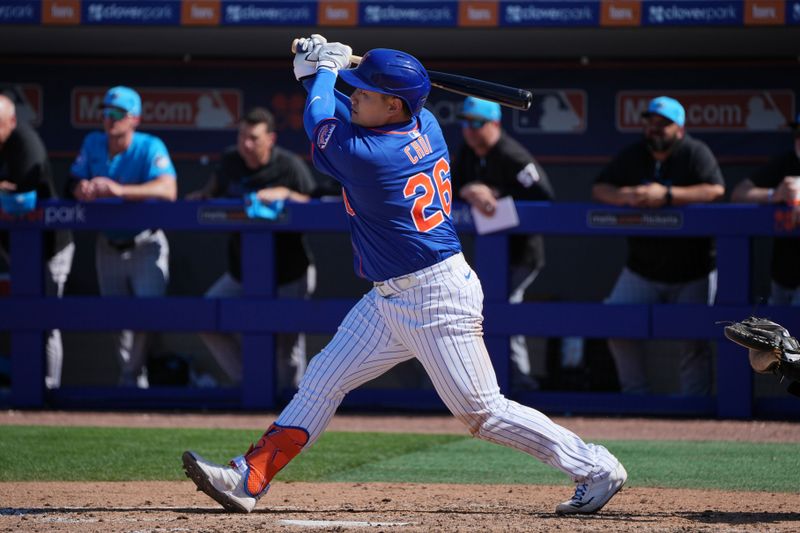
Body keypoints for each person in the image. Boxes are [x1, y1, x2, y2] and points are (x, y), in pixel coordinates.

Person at [182, 35, 626, 516]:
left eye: (365, 93)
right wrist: (326, 71)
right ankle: (250, 476)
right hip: (391, 297)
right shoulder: (425, 123)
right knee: (321, 380)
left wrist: (320, 73)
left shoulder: (372, 157)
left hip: (435, 297)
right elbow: (338, 111)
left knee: (483, 412)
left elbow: (318, 120)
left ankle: (595, 467)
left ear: (394, 105)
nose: (354, 97)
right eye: (353, 89)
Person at [592, 96, 725, 395]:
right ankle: (636, 397)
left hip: (694, 270)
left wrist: (667, 195)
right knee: (615, 324)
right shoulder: (634, 154)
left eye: (663, 124)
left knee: (694, 342)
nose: (655, 129)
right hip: (642, 268)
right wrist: (626, 196)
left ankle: (694, 410)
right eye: (651, 123)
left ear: (679, 128)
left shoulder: (694, 152)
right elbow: (600, 188)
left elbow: (715, 190)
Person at [186, 107, 317, 388]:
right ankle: (252, 382)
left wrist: (285, 194)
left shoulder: (289, 165)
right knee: (206, 317)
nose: (246, 144)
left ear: (270, 139)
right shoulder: (231, 161)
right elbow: (214, 189)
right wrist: (203, 196)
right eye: (242, 136)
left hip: (289, 271)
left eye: (254, 138)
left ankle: (298, 406)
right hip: (242, 270)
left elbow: (314, 205)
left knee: (288, 346)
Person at [68, 86, 177, 388]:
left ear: (134, 119)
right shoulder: (93, 143)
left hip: (145, 242)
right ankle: (130, 380)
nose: (109, 118)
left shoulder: (148, 145)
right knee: (116, 317)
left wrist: (120, 192)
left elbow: (168, 190)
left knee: (146, 316)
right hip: (108, 244)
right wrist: (82, 189)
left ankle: (133, 378)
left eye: (117, 113)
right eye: (105, 112)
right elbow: (72, 182)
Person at [452, 96, 554, 390]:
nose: (470, 130)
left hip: (522, 253)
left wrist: (496, 192)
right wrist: (471, 189)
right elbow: (452, 185)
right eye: (466, 123)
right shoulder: (468, 153)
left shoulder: (511, 154)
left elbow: (544, 194)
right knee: (489, 310)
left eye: (477, 123)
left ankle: (518, 381)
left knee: (501, 309)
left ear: (495, 124)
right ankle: (503, 379)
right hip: (490, 253)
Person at [0, 93, 74, 389]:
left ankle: (48, 388)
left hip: (51, 246)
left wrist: (7, 192)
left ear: (12, 121)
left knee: (46, 320)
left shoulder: (25, 141)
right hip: (15, 247)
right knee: (22, 315)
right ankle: (26, 383)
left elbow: (23, 198)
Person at [730, 113, 800, 305]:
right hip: (783, 274)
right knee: (774, 331)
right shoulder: (787, 162)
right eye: (798, 134)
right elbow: (739, 193)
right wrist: (774, 194)